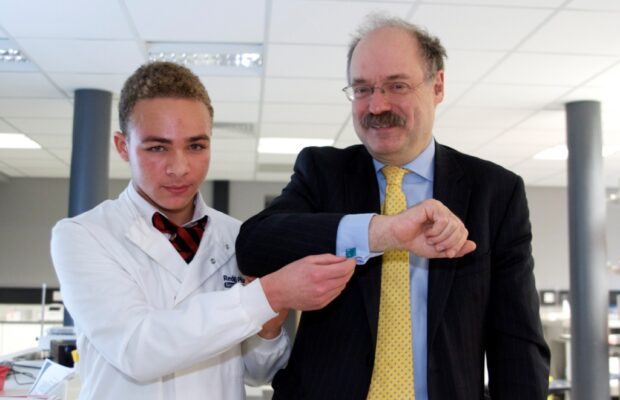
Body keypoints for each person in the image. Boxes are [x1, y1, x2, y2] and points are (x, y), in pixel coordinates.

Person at [235, 15, 550, 400]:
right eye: (363, 89)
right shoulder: (323, 173)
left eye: (396, 86)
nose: (377, 104)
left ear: (437, 85)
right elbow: (252, 245)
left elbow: (517, 343)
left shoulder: (494, 193)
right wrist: (379, 232)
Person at [50, 61, 358, 400]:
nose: (179, 167)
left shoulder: (236, 237)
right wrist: (269, 295)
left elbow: (258, 372)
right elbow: (137, 349)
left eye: (196, 146)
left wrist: (270, 327)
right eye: (157, 147)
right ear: (123, 146)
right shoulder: (84, 235)